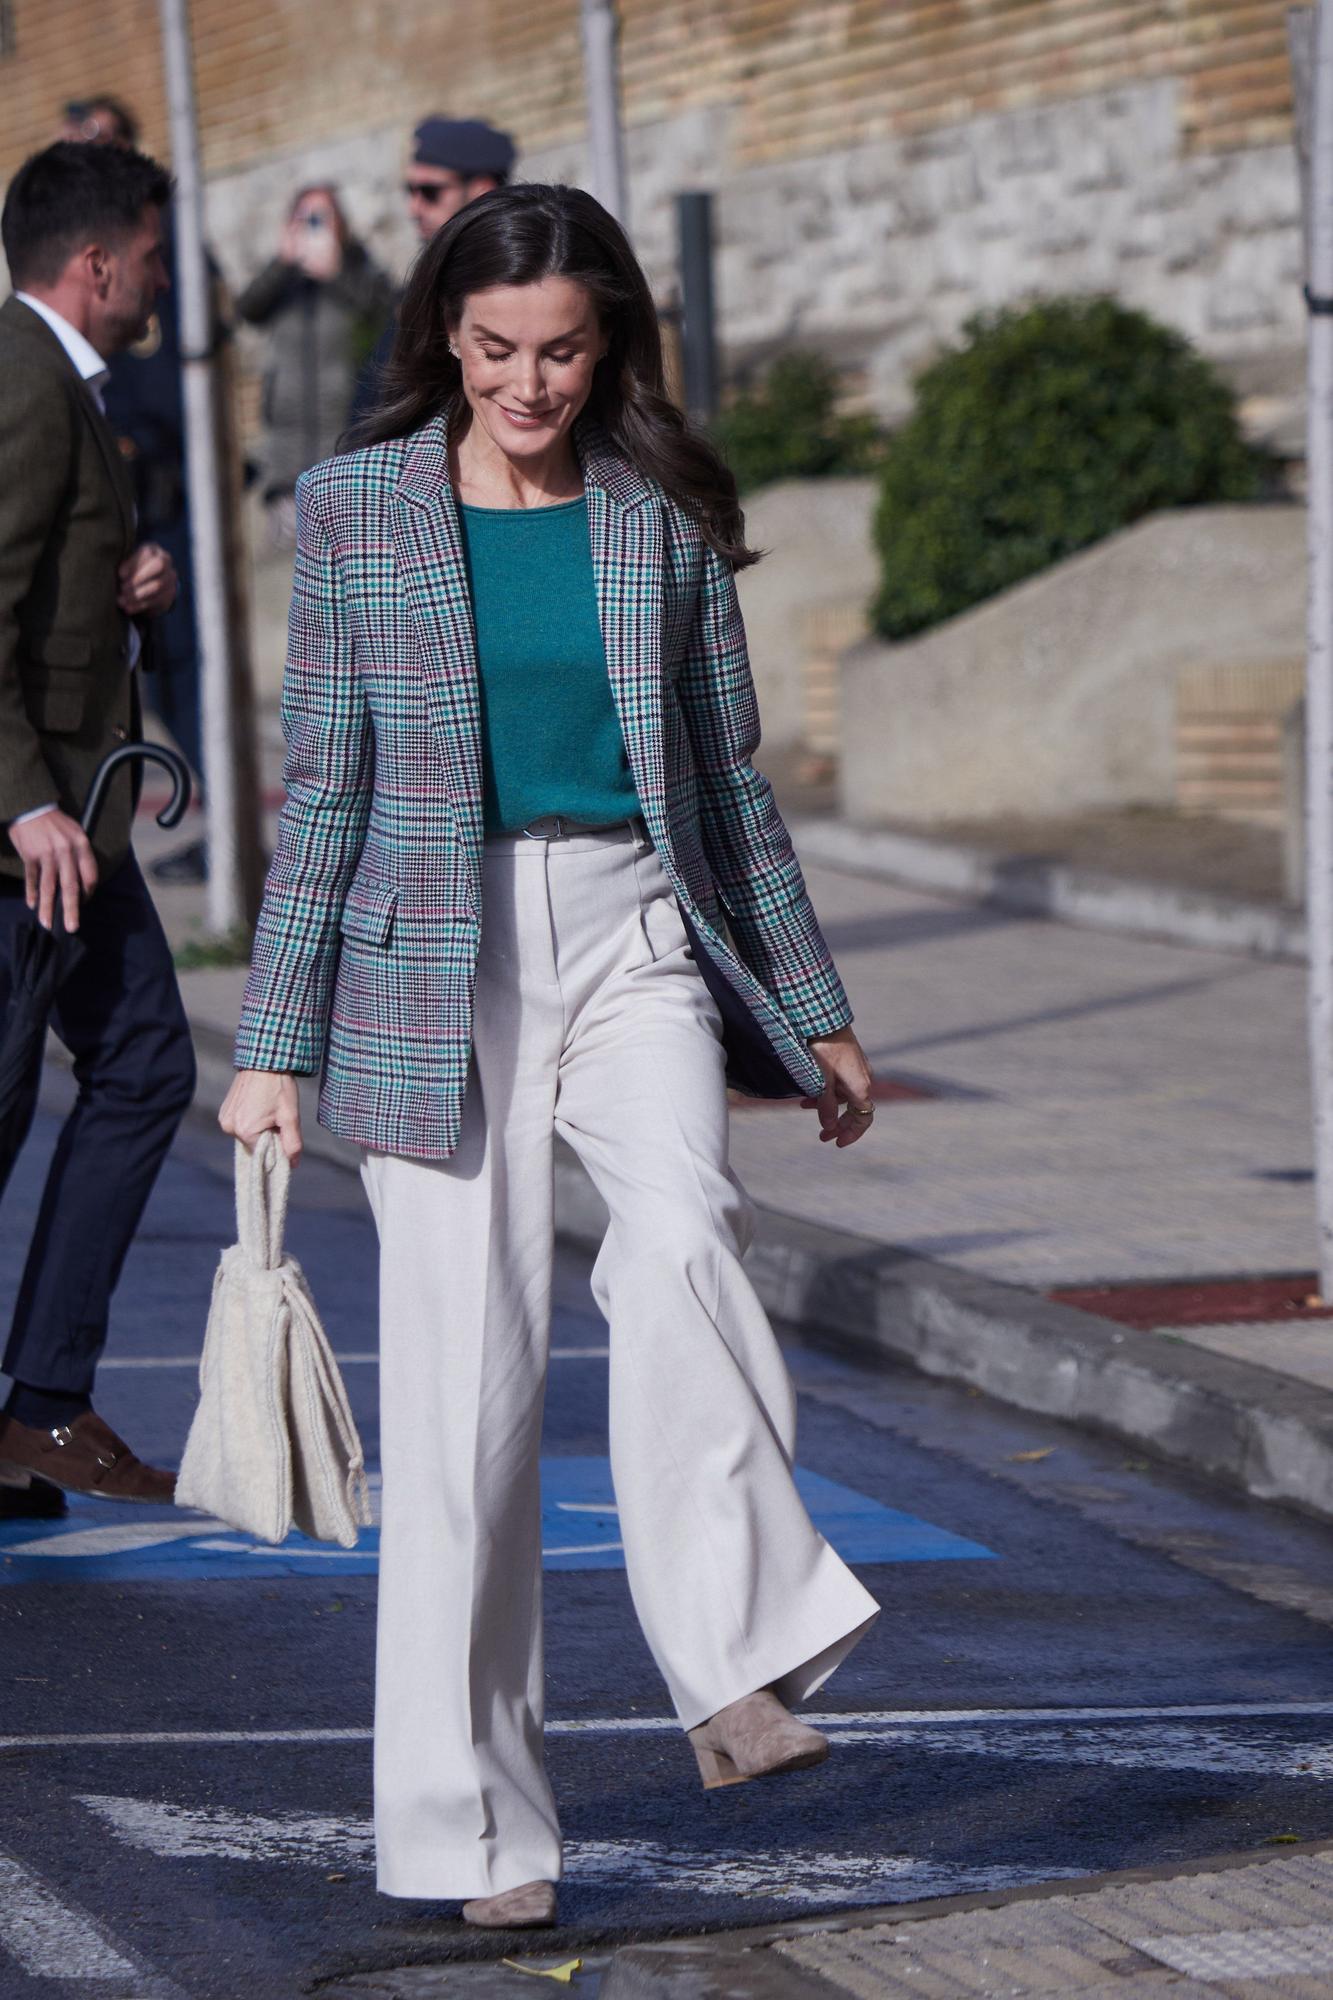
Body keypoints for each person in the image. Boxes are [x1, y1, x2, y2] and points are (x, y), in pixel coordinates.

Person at [220, 183, 879, 1928]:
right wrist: (271, 1042)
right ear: (445, 330)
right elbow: (328, 791)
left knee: (682, 1240)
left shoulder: (651, 510)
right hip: (427, 956)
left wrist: (809, 1008)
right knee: (466, 1409)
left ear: (610, 345)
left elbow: (729, 781)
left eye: (564, 351)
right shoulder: (354, 509)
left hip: (631, 935)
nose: (530, 383)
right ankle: (474, 1833)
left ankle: (733, 1659)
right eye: (498, 349)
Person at [0, 143, 197, 1513]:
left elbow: (42, 580)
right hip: (31, 823)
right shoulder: (19, 380)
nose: (162, 283)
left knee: (140, 1067)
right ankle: (37, 1413)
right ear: (99, 262)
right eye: (153, 254)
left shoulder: (64, 382)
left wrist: (129, 585)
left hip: (81, 814)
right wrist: (19, 799)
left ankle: (44, 1408)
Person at [57, 91, 212, 886]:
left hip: (167, 486)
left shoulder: (161, 243)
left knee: (182, 662)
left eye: (102, 139)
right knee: (146, 674)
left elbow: (178, 362)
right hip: (116, 488)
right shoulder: (67, 250)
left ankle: (220, 829)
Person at [236, 185, 393, 547]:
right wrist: (282, 261)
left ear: (339, 224)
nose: (311, 226)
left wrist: (335, 273)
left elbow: (386, 313)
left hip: (342, 446)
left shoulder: (357, 266)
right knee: (291, 583)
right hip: (286, 460)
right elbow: (247, 309)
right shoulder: (285, 279)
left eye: (320, 217)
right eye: (303, 217)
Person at [346, 116, 516, 427]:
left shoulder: (499, 281)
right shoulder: (431, 275)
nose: (414, 207)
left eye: (430, 191)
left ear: (481, 189)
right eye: (409, 190)